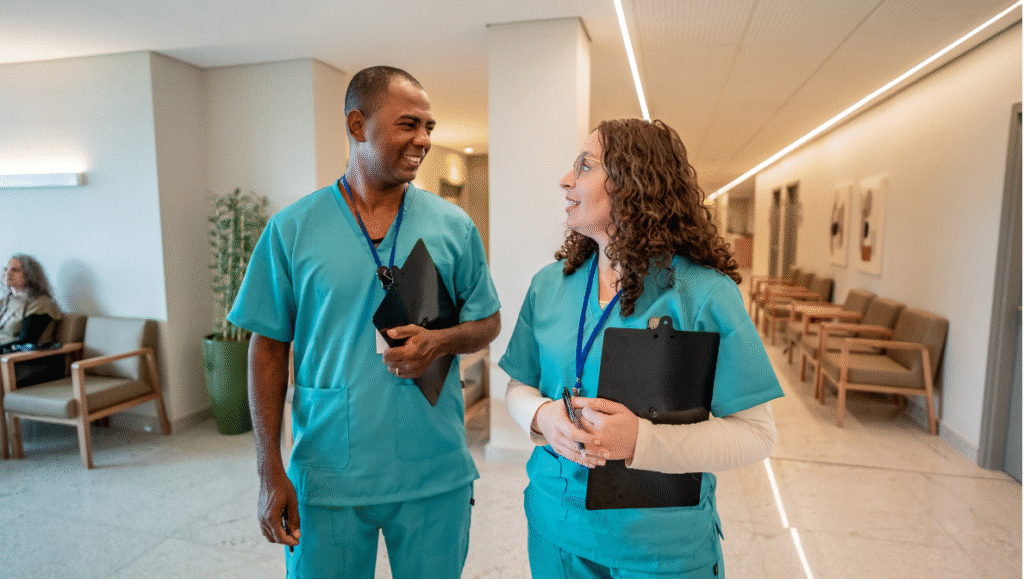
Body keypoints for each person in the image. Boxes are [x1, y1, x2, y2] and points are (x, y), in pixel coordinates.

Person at [227, 66, 501, 579]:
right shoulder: (292, 229)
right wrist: (269, 470)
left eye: (429, 127)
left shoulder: (453, 227)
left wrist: (440, 342)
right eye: (408, 125)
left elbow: (487, 322)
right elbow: (267, 348)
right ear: (357, 125)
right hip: (330, 471)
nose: (423, 140)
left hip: (432, 468)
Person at [499, 118, 784, 577]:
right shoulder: (550, 286)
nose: (565, 179)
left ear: (635, 184)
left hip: (659, 549)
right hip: (556, 527)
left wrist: (642, 441)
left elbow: (756, 434)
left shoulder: (702, 293)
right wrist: (541, 416)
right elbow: (518, 387)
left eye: (585, 165)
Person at [1, 254, 64, 385]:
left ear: (30, 275)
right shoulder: (5, 301)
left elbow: (26, 341)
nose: (7, 273)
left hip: (28, 361)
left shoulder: (41, 303)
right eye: (6, 269)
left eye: (15, 270)